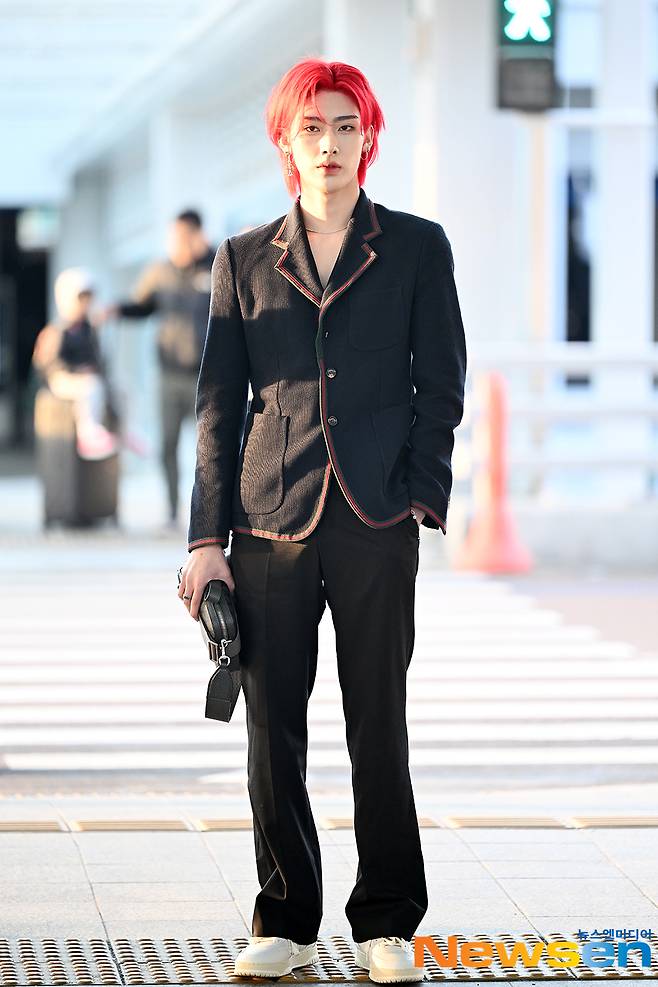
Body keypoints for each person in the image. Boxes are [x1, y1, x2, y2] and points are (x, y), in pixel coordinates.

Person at [177, 58, 467, 984]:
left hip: (377, 516)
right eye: (312, 127)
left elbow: (441, 385)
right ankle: (286, 918)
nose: (330, 143)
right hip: (269, 519)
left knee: (379, 721)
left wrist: (420, 492)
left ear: (367, 137)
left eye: (345, 126)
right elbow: (219, 407)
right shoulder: (242, 258)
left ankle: (386, 919)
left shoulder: (416, 247)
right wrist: (205, 541)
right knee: (273, 730)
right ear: (286, 142)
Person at [103, 210, 216, 528]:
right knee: (167, 444)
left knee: (210, 447)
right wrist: (116, 310)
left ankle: (210, 510)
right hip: (170, 374)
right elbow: (141, 305)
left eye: (182, 237)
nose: (175, 244)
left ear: (197, 236)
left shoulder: (217, 265)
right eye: (172, 238)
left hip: (206, 375)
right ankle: (171, 508)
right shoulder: (160, 272)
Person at [32, 267, 119, 460]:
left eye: (88, 300)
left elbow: (97, 359)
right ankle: (88, 434)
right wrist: (77, 371)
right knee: (91, 388)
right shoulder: (56, 331)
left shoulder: (89, 329)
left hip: (86, 378)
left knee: (119, 390)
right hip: (63, 380)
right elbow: (47, 364)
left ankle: (124, 431)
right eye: (82, 299)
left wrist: (97, 370)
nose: (85, 305)